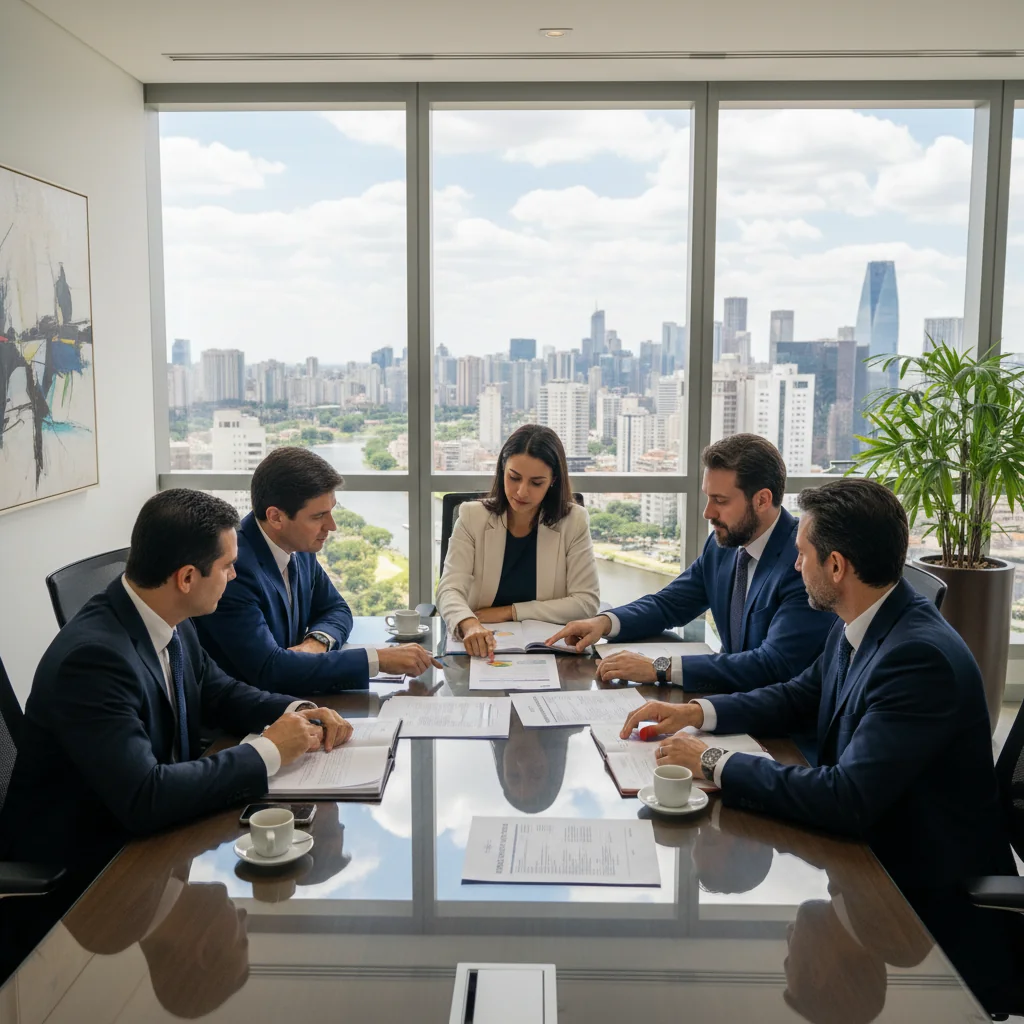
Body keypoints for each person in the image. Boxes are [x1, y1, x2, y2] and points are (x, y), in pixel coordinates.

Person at [620, 478, 1022, 1013]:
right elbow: (797, 695)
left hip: (920, 892)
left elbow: (846, 798)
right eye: (794, 960)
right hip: (870, 855)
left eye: (802, 553)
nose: (793, 565)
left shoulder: (917, 659)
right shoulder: (865, 616)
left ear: (836, 567)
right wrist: (695, 713)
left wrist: (712, 759)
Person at [0, 489, 353, 902]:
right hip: (92, 878)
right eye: (227, 567)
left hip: (156, 842)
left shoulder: (169, 615)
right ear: (186, 578)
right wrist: (268, 752)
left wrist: (300, 711)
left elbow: (220, 691)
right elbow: (145, 796)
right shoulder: (93, 661)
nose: (234, 577)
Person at [548, 434, 835, 693]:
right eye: (707, 497)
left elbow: (773, 665)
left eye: (720, 500)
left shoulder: (804, 564)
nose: (708, 512)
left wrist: (661, 668)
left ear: (762, 500)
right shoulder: (723, 545)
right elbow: (670, 603)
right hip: (729, 699)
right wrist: (604, 622)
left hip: (782, 728)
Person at [196, 447, 440, 693]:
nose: (331, 526)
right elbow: (271, 670)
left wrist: (317, 642)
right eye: (318, 516)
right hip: (242, 721)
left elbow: (336, 609)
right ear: (276, 517)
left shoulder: (298, 547)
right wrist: (378, 659)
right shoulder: (233, 569)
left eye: (331, 511)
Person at [436, 424, 600, 657]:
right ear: (502, 469)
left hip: (548, 652)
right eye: (514, 478)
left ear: (553, 480)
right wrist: (469, 623)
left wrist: (509, 612)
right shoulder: (472, 517)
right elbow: (449, 589)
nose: (522, 492)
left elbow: (586, 602)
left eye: (536, 483)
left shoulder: (574, 521)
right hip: (482, 647)